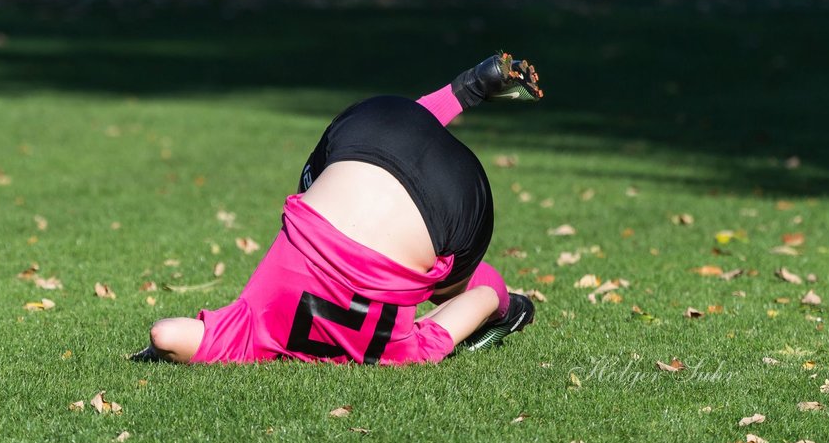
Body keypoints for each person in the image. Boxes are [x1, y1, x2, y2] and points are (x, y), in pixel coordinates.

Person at [130, 52, 543, 365]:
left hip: (457, 191)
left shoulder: (399, 353)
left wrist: (508, 306)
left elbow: (482, 296)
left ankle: (513, 310)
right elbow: (167, 334)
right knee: (349, 164)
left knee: (447, 289)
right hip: (380, 124)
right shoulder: (253, 329)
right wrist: (157, 352)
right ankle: (466, 88)